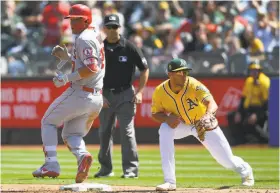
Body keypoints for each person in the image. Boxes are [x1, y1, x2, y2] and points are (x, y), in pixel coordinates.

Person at [151, 58, 254, 191]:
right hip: (182, 124)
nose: (183, 75)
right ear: (170, 74)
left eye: (185, 71)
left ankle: (246, 171)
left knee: (226, 160)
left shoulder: (193, 84)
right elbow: (155, 113)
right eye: (179, 72)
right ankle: (170, 181)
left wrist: (208, 115)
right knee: (164, 129)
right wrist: (166, 119)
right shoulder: (160, 91)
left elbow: (212, 103)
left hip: (202, 123)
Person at [32, 4, 105, 183]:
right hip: (96, 97)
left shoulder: (84, 38)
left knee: (48, 121)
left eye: (76, 19)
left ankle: (50, 164)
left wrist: (66, 78)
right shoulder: (94, 34)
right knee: (71, 134)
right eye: (71, 19)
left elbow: (91, 68)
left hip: (81, 92)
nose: (72, 23)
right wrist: (69, 58)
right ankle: (83, 156)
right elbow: (87, 63)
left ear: (86, 19)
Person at [94, 14, 149, 178]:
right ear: (104, 29)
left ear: (120, 28)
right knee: (104, 132)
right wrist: (99, 94)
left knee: (127, 132)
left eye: (115, 27)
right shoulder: (99, 48)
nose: (112, 30)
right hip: (105, 95)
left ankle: (131, 170)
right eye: (109, 27)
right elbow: (92, 73)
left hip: (126, 94)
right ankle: (106, 169)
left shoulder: (130, 47)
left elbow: (144, 69)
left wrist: (139, 92)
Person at [227, 62, 270, 145]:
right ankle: (239, 141)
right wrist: (239, 112)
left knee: (249, 123)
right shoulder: (249, 80)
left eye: (256, 71)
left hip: (260, 109)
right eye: (252, 70)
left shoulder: (265, 82)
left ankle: (265, 140)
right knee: (231, 116)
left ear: (260, 71)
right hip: (248, 108)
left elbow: (266, 102)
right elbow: (243, 97)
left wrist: (257, 115)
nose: (254, 73)